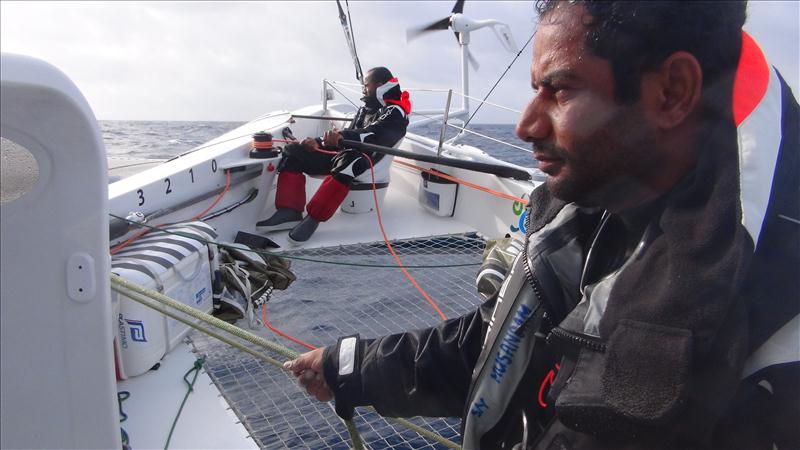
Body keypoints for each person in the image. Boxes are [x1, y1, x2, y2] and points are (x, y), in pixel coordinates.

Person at [284, 1, 799, 449]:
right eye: (534, 90)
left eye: (560, 90)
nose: (526, 125)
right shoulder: (610, 189)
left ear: (672, 90)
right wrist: (353, 367)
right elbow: (501, 340)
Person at [256, 66, 411, 243]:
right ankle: (289, 212)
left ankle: (314, 218)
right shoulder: (365, 108)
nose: (363, 89)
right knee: (294, 151)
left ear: (380, 85)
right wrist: (318, 141)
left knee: (349, 161)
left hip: (368, 160)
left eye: (366, 85)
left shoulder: (395, 112)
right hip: (345, 151)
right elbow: (348, 133)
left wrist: (340, 138)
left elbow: (372, 135)